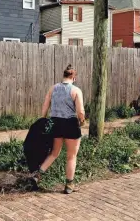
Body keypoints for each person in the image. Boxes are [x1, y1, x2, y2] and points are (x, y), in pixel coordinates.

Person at [33, 64, 85, 194]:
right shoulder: (76, 90)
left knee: (54, 153)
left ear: (64, 76)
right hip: (71, 124)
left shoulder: (53, 88)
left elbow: (45, 106)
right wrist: (82, 121)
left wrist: (43, 120)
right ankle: (69, 185)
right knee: (71, 156)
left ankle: (37, 175)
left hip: (55, 123)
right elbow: (80, 111)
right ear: (73, 77)